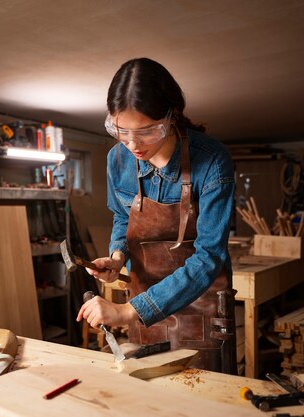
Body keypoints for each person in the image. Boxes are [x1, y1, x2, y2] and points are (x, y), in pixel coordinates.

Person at [76, 57, 237, 372]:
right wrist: (118, 256)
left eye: (147, 131)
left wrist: (129, 311)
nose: (133, 144)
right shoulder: (117, 160)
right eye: (121, 131)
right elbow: (122, 218)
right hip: (142, 302)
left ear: (171, 116)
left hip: (201, 307)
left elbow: (209, 257)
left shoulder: (213, 161)